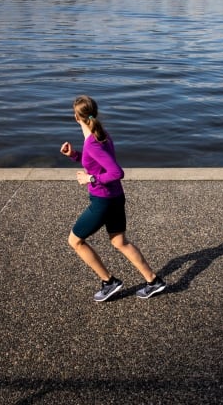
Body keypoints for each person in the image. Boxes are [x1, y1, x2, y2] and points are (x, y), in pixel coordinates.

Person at [60, 95, 166, 301]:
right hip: (116, 197)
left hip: (103, 201)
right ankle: (153, 281)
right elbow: (97, 161)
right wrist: (74, 155)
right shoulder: (102, 135)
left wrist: (90, 179)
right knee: (119, 242)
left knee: (75, 241)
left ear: (75, 117)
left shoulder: (93, 142)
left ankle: (109, 282)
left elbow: (116, 172)